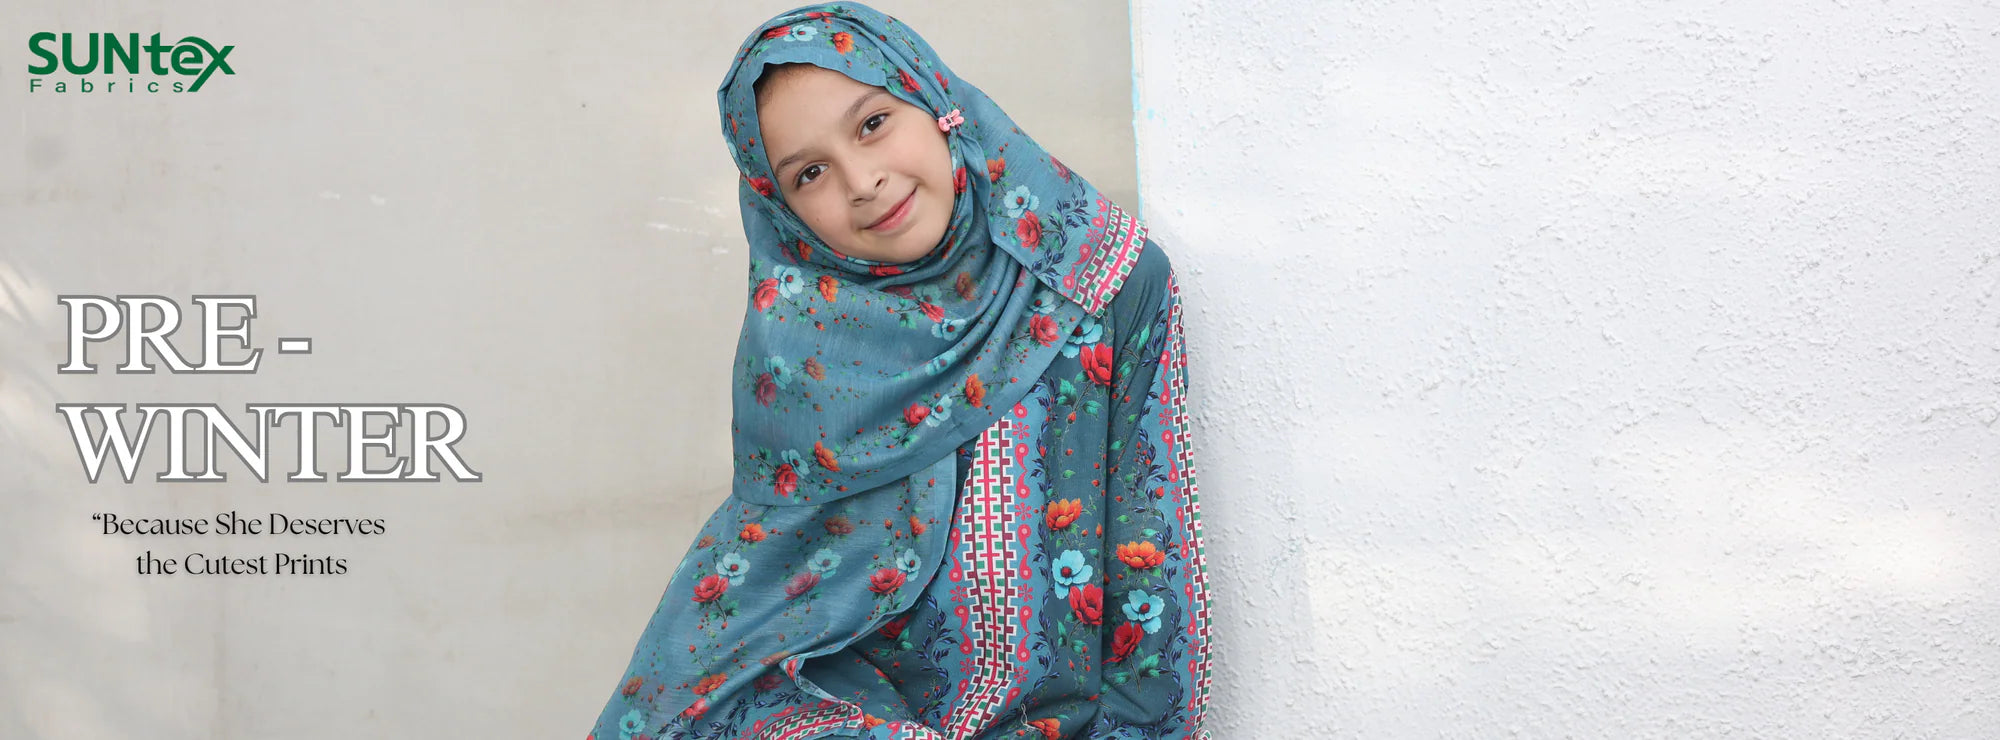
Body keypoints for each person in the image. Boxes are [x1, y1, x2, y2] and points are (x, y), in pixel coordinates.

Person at [589, 4, 1211, 738]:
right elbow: (740, 641)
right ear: (784, 216)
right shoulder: (804, 366)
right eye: (809, 173)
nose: (861, 181)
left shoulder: (1098, 282)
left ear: (935, 102)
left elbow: (1152, 575)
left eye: (873, 123)